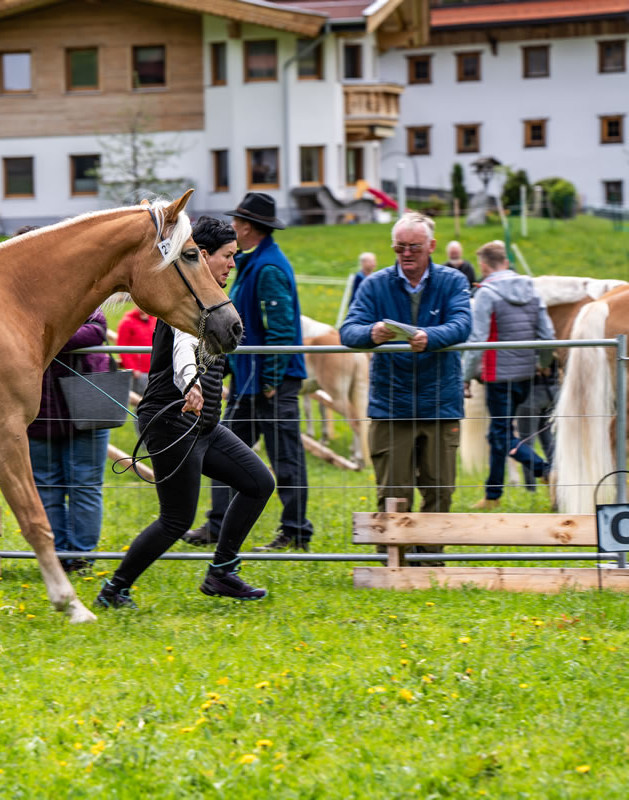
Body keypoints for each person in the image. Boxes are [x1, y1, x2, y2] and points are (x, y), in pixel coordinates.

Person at [96, 216, 275, 610]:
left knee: (259, 483)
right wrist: (190, 382)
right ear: (203, 256)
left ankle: (222, 572)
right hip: (172, 422)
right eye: (227, 256)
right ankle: (115, 590)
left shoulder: (210, 302)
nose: (232, 264)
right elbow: (182, 347)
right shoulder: (186, 302)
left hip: (205, 426)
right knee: (176, 519)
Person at [340, 213, 472, 561]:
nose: (406, 253)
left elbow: (462, 323)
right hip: (390, 404)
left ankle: (430, 558)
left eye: (414, 246)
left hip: (440, 402)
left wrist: (431, 337)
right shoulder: (374, 285)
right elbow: (348, 330)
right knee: (392, 490)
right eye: (399, 247)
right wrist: (371, 334)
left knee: (440, 488)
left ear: (431, 246)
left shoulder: (453, 281)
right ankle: (394, 558)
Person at [189, 192, 313, 552]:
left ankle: (296, 531)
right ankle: (216, 525)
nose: (233, 228)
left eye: (238, 223)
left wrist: (272, 381)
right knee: (222, 449)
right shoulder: (252, 263)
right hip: (249, 382)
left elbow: (281, 330)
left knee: (285, 456)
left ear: (249, 227)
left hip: (271, 384)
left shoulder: (269, 267)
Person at [22, 224, 112, 573]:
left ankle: (82, 555)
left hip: (89, 392)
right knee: (46, 482)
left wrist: (45, 335)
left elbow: (97, 329)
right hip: (38, 400)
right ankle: (58, 554)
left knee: (85, 481)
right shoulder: (13, 295)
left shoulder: (78, 284)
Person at [464, 240, 553, 509]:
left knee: (501, 435)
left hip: (496, 375)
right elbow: (547, 335)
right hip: (525, 373)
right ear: (505, 260)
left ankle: (544, 470)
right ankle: (493, 495)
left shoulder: (486, 293)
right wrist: (543, 363)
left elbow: (477, 339)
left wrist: (465, 376)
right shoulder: (532, 289)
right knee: (498, 434)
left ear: (484, 265)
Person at [116, 306, 156, 395]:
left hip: (155, 370)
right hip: (140, 373)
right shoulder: (127, 322)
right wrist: (132, 368)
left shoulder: (154, 320)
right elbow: (122, 348)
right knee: (140, 401)